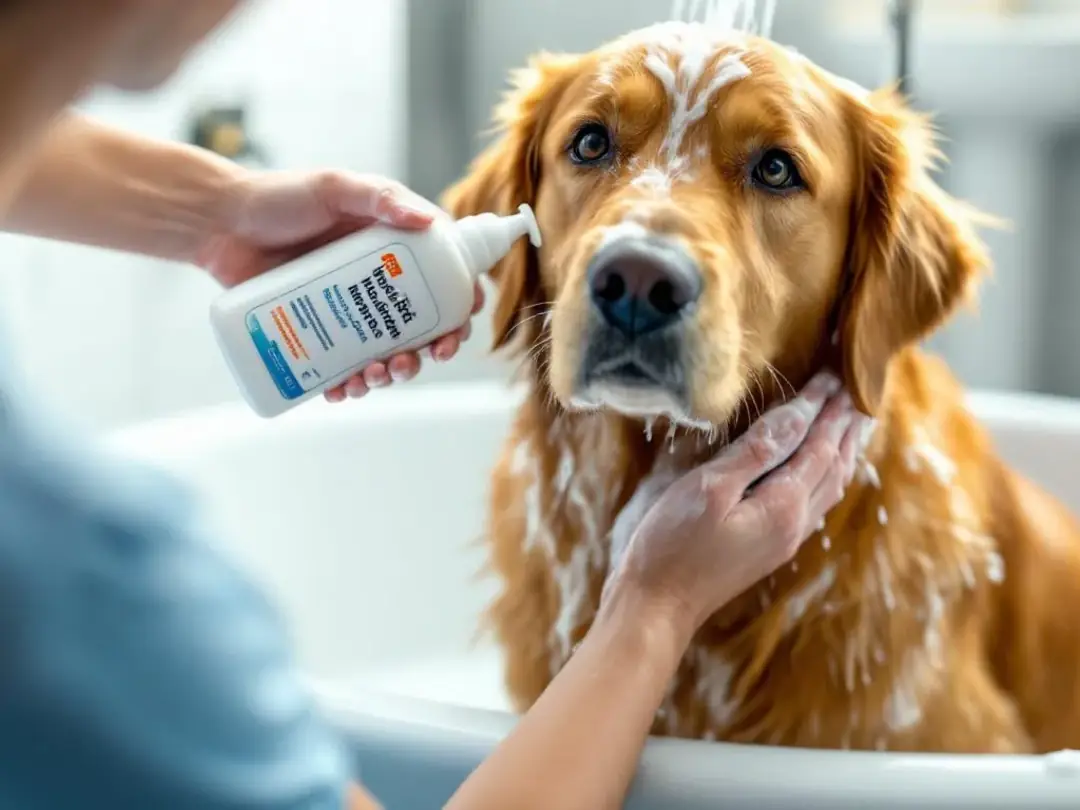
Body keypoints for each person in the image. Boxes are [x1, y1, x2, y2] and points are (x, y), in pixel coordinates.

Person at [0, 2, 872, 809]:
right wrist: (655, 605)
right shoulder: (79, 593)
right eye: (594, 147)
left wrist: (215, 213)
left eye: (774, 169)